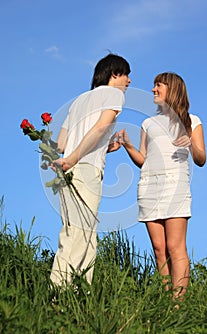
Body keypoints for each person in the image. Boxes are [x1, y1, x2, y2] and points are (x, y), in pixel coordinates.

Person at [117, 72, 206, 299]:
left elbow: (201, 158)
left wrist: (190, 143)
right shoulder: (148, 123)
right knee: (159, 250)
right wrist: (127, 145)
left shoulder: (192, 121)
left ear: (173, 89)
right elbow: (143, 160)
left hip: (176, 186)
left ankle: (179, 303)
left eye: (158, 85)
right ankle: (166, 302)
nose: (153, 90)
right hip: (149, 187)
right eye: (154, 86)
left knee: (176, 247)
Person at [50, 53, 131, 286]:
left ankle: (78, 297)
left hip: (69, 170)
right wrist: (75, 157)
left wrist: (102, 148)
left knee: (78, 232)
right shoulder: (114, 94)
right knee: (81, 234)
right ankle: (61, 293)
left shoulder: (78, 101)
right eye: (126, 75)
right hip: (84, 168)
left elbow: (63, 144)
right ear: (115, 73)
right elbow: (102, 125)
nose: (128, 82)